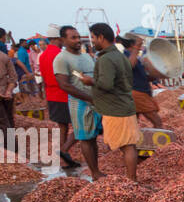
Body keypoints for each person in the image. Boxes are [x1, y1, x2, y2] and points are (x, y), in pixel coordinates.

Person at [86, 23, 141, 180]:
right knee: (128, 144)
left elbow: (106, 84)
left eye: (93, 37)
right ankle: (132, 179)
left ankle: (132, 180)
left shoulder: (107, 59)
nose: (92, 41)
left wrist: (90, 81)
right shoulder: (119, 56)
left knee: (127, 146)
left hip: (116, 109)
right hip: (124, 105)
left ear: (101, 37)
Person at [51, 26, 103, 179]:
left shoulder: (87, 56)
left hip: (95, 101)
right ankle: (95, 172)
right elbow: (65, 85)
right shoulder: (62, 58)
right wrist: (88, 98)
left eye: (78, 37)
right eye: (73, 38)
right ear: (63, 40)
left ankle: (96, 169)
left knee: (93, 137)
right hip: (79, 103)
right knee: (85, 137)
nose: (77, 40)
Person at [39, 24, 80, 169]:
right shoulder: (60, 55)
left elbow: (44, 78)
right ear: (59, 38)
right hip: (64, 94)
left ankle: (63, 157)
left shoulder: (42, 55)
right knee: (79, 125)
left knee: (62, 126)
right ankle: (64, 151)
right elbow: (71, 75)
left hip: (51, 94)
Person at [123, 36, 164, 129]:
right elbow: (129, 67)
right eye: (139, 43)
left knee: (133, 124)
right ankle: (160, 143)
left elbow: (142, 77)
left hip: (140, 93)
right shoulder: (126, 55)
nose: (141, 45)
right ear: (132, 44)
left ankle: (133, 142)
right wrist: (137, 47)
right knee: (157, 122)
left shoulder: (136, 58)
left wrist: (158, 75)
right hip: (137, 93)